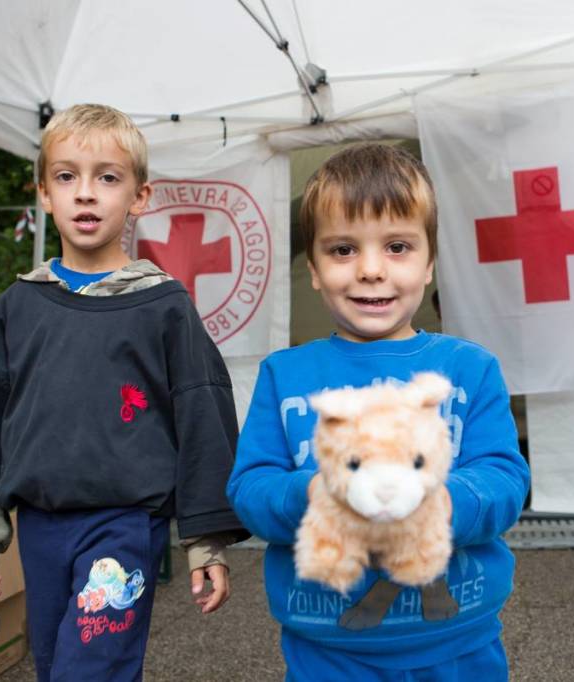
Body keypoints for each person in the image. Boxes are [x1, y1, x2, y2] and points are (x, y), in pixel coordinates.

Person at [0, 104, 248, 681]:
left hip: (124, 523)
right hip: (39, 523)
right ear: (43, 195)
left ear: (139, 196)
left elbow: (203, 416)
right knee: (56, 665)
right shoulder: (15, 309)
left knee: (92, 671)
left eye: (107, 177)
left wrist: (205, 539)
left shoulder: (164, 306)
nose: (86, 193)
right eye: (66, 176)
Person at [227, 143, 530, 681]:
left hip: (459, 645)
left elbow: (505, 481)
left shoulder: (470, 369)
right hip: (328, 650)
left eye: (397, 246)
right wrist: (317, 495)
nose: (370, 270)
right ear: (314, 268)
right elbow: (250, 489)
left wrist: (433, 500)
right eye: (343, 250)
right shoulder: (284, 375)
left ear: (430, 262)